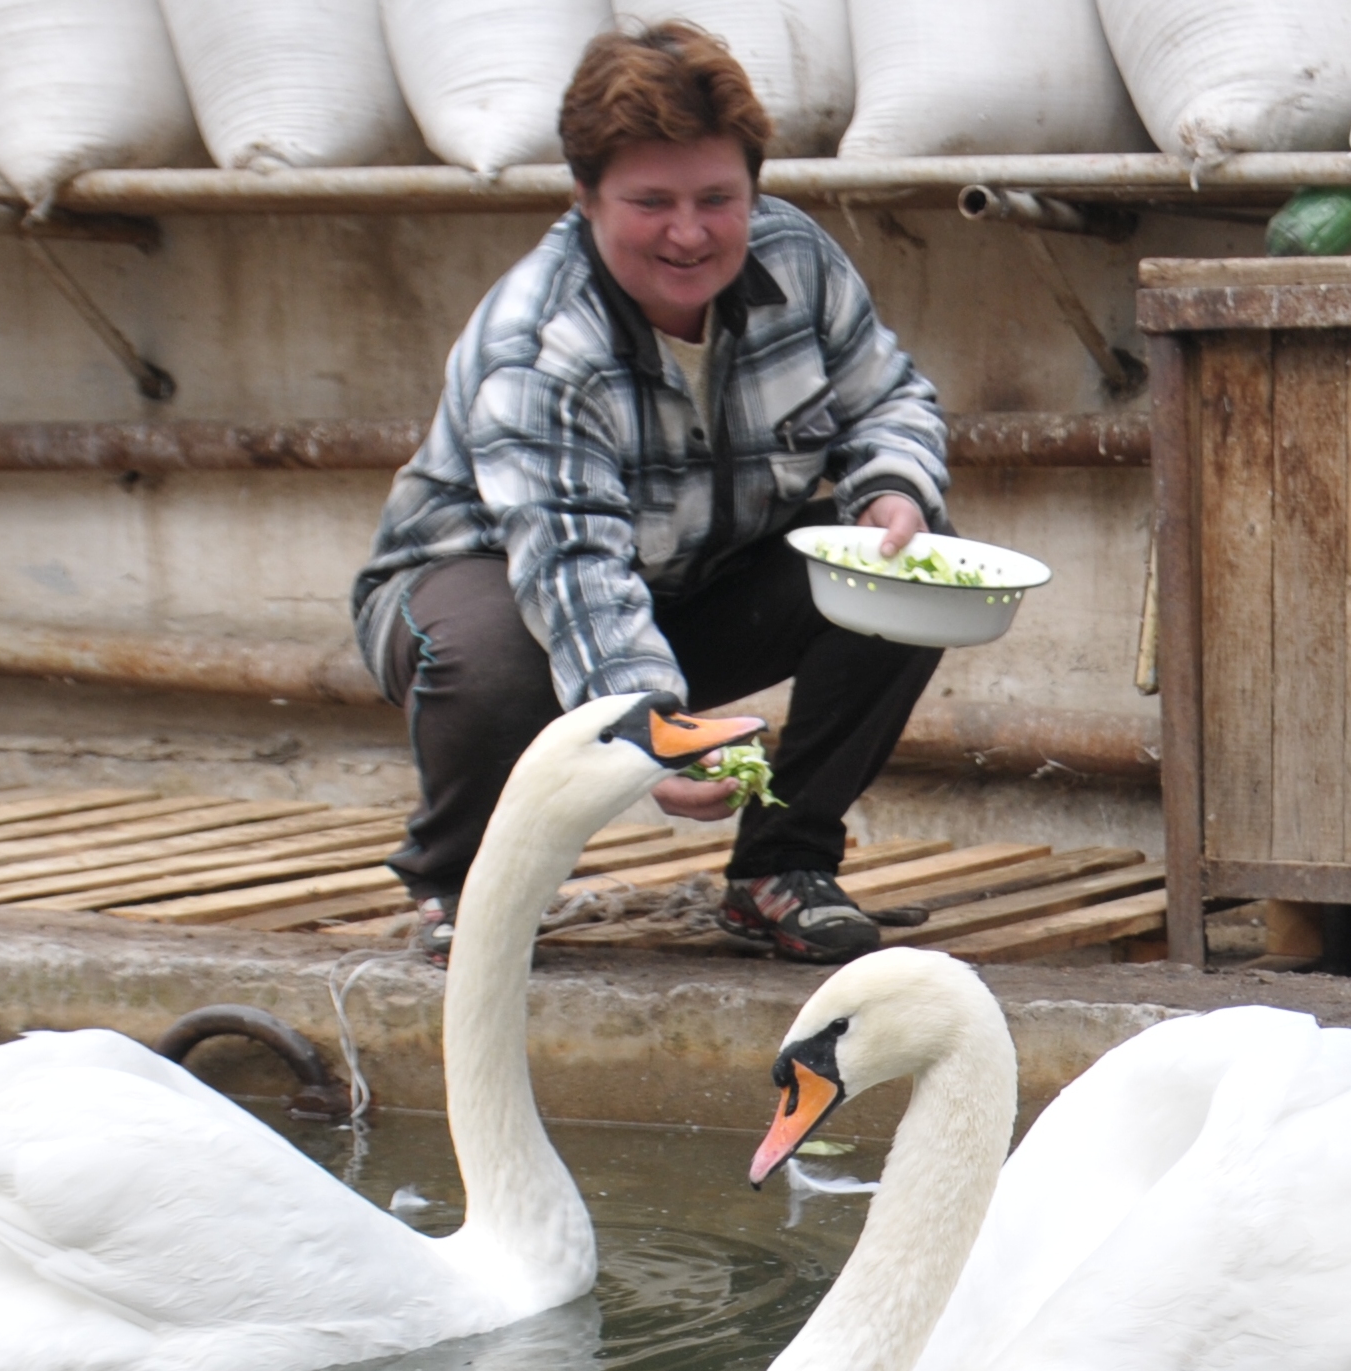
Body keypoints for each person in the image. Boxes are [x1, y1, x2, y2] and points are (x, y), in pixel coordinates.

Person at [351, 22, 951, 967]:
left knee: (913, 572)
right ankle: (462, 880)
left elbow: (890, 399)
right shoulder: (541, 341)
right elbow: (572, 571)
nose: (690, 232)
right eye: (651, 201)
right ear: (584, 197)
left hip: (694, 584)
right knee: (498, 651)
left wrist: (891, 489)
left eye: (719, 198)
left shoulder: (800, 260)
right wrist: (650, 736)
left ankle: (779, 869)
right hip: (494, 596)